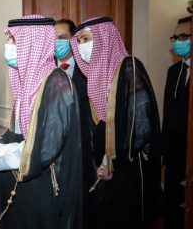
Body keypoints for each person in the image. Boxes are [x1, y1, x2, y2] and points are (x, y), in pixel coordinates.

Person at [0, 14, 83, 229]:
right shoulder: (29, 84)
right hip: (29, 186)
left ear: (31, 43)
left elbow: (43, 150)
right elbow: (22, 135)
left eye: (13, 40)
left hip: (47, 190)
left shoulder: (57, 84)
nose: (8, 46)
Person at [69, 17, 162, 229]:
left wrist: (111, 161)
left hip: (129, 165)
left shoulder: (130, 67)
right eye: (80, 40)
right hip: (107, 166)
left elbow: (141, 123)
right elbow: (102, 122)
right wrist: (101, 160)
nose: (82, 45)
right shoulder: (96, 74)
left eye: (87, 39)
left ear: (104, 37)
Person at [54, 19, 95, 229]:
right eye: (54, 38)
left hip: (82, 157)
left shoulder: (88, 73)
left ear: (73, 40)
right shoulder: (46, 71)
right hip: (53, 158)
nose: (57, 43)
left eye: (61, 38)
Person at [162, 16, 192, 229]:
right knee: (171, 207)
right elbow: (168, 112)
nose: (178, 42)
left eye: (184, 37)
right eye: (176, 37)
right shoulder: (174, 71)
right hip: (173, 153)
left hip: (191, 153)